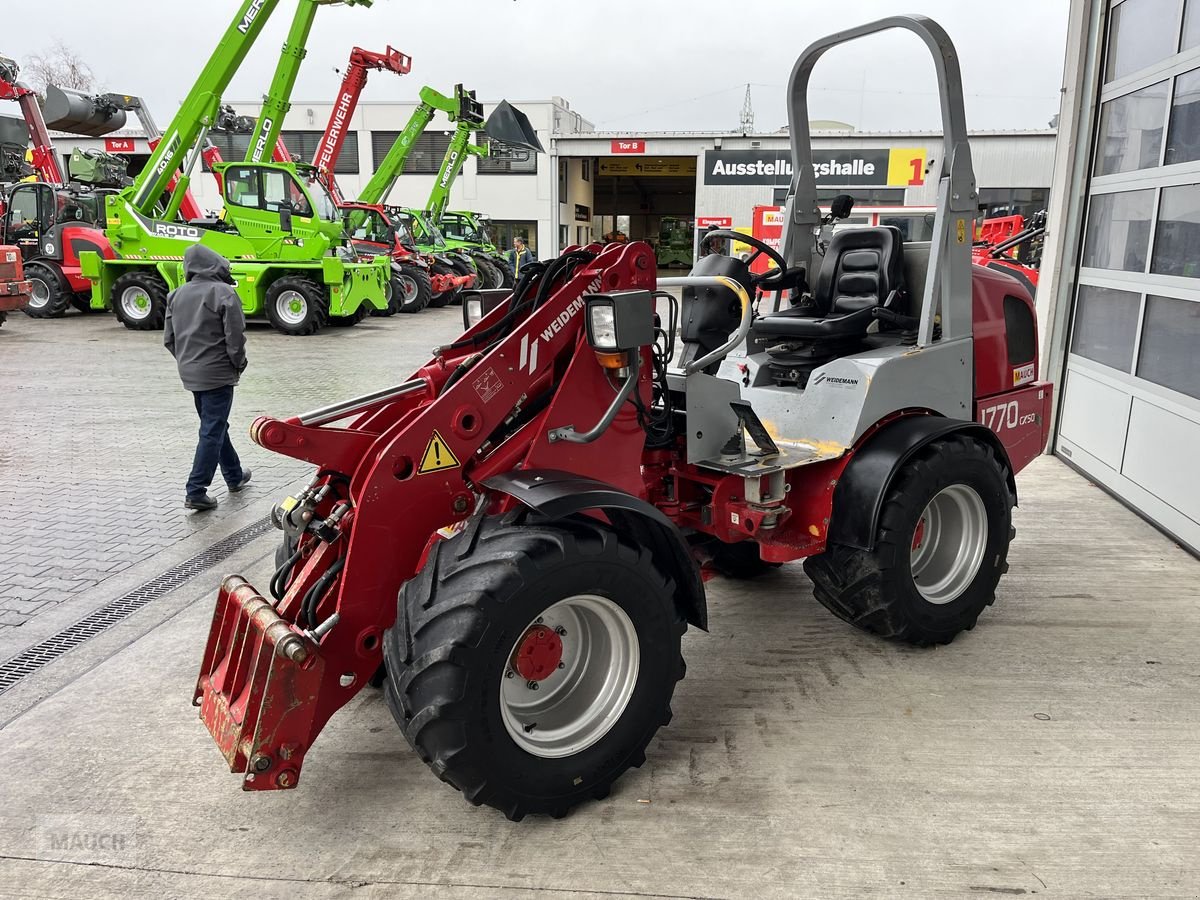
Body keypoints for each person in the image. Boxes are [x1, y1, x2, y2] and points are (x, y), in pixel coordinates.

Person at [164, 245, 251, 511]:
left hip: (190, 373)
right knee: (212, 430)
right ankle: (196, 490)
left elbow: (169, 339)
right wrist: (239, 363)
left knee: (214, 425)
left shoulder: (175, 295)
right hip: (217, 373)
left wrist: (188, 362)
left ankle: (234, 475)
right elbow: (235, 337)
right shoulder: (223, 292)